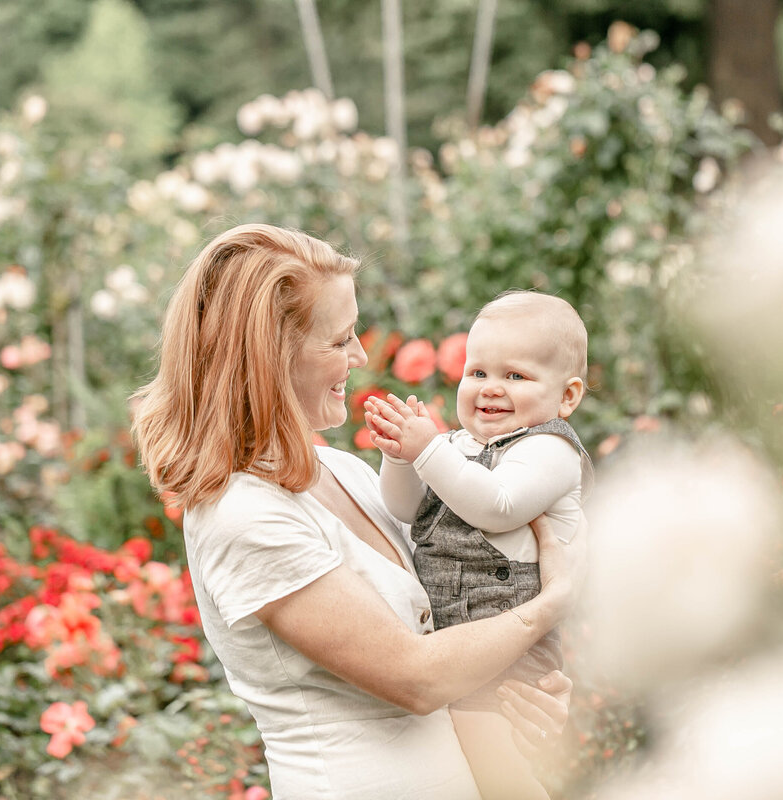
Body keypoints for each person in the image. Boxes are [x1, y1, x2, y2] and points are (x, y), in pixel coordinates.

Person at [131, 224, 582, 799]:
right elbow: (417, 678)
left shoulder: (339, 470)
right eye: (340, 339)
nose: (362, 355)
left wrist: (520, 691)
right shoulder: (242, 515)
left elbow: (450, 624)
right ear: (271, 357)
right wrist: (546, 610)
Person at [363, 291, 591, 800]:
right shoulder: (457, 448)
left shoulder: (550, 449)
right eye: (478, 372)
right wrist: (402, 458)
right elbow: (407, 509)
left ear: (567, 396)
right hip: (458, 634)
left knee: (493, 757)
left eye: (516, 376)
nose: (490, 389)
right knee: (468, 757)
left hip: (510, 635)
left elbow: (498, 505)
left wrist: (427, 451)